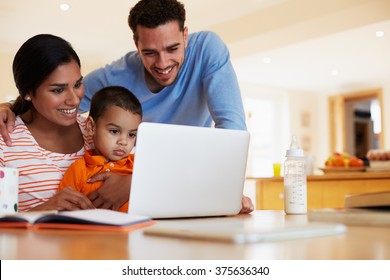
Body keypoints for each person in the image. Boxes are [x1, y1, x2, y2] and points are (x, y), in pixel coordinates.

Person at [0, 0, 254, 213]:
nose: (163, 63)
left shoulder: (99, 134)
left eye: (173, 48)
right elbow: (51, 103)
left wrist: (222, 191)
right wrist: (9, 107)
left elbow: (231, 129)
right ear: (136, 44)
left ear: (185, 35)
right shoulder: (112, 81)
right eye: (150, 52)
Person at [0, 34, 95, 212]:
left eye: (77, 84)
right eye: (58, 90)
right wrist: (43, 210)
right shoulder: (5, 141)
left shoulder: (96, 132)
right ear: (28, 92)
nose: (74, 100)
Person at [58, 86, 142, 213]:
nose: (123, 142)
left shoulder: (140, 166)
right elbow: (63, 212)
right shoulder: (78, 170)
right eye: (114, 131)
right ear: (91, 127)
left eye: (131, 135)